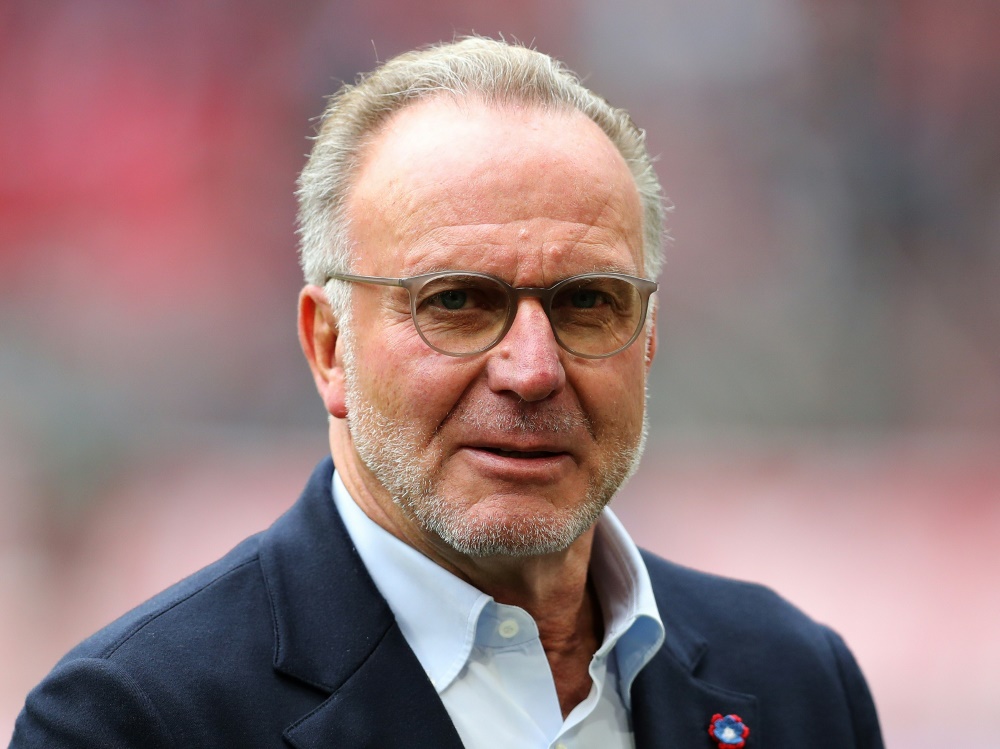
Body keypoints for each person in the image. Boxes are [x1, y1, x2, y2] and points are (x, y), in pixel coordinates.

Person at [11, 37, 884, 748]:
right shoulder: (135, 721)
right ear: (328, 345)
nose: (532, 369)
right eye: (458, 302)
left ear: (648, 338)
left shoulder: (798, 682)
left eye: (588, 302)